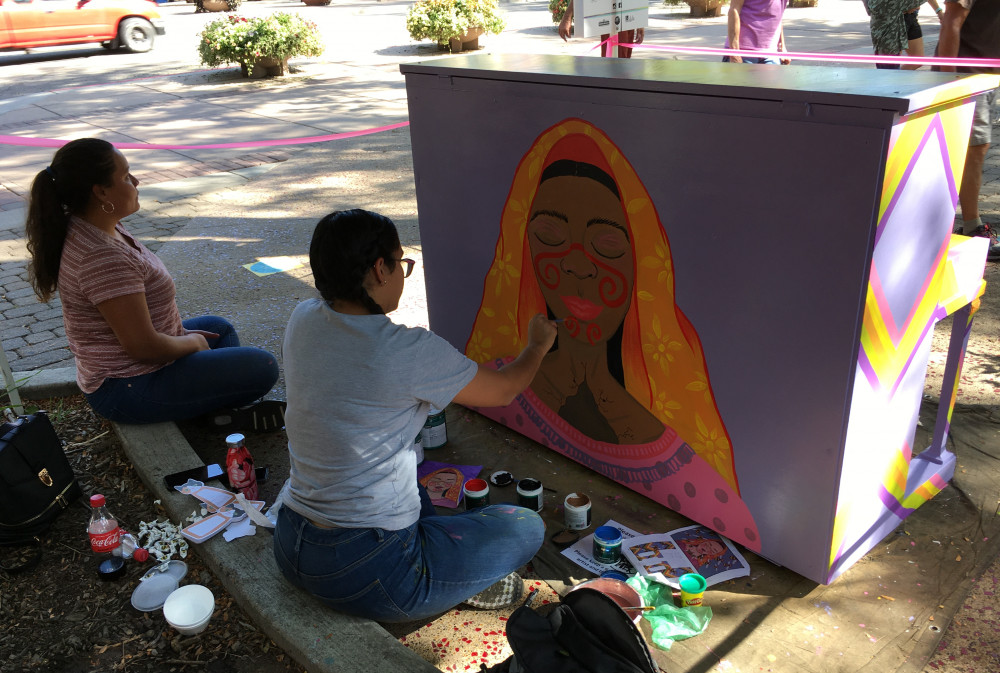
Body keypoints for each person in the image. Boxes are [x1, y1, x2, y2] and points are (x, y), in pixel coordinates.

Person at [465, 118, 762, 552]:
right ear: (524, 250)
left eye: (606, 245)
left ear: (643, 264)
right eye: (549, 236)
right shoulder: (493, 387)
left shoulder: (698, 484)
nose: (576, 264)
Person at [272, 209, 556, 623]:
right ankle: (439, 577)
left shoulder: (303, 318)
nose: (404, 274)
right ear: (379, 269)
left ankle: (444, 564)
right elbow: (505, 389)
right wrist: (537, 346)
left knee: (411, 478)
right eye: (401, 263)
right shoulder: (406, 350)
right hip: (367, 572)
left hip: (290, 540)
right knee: (525, 525)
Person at [25, 138, 282, 426]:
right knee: (263, 366)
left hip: (142, 366)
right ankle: (212, 414)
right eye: (126, 176)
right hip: (129, 387)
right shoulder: (101, 257)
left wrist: (182, 335)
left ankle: (211, 411)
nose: (136, 181)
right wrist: (191, 342)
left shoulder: (99, 226)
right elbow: (143, 348)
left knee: (219, 329)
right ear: (101, 192)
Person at [938, 0, 1000, 261]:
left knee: (976, 147)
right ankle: (972, 226)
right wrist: (947, 83)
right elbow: (951, 22)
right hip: (966, 77)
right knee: (972, 149)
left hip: (987, 74)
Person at [864, 0, 943, 70]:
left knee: (917, 60)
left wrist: (938, 11)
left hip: (908, 15)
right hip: (890, 20)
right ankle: (895, 78)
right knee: (890, 68)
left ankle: (898, 77)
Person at [558, 5, 644, 59]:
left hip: (628, 15)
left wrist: (640, 20)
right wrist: (567, 17)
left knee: (625, 62)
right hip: (611, 17)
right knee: (616, 63)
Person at [725, 0, 789, 64]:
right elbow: (734, 10)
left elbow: (777, 14)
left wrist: (782, 47)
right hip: (744, 53)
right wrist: (735, 53)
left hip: (771, 53)